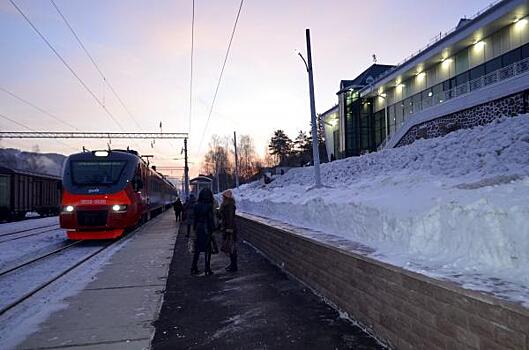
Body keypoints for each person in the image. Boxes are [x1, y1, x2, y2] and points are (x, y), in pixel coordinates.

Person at [191, 189, 215, 276]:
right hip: (206, 228)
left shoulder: (196, 205)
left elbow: (195, 219)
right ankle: (207, 268)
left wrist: (194, 229)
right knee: (208, 249)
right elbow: (210, 219)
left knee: (197, 249)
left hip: (198, 228)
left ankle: (194, 267)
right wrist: (213, 229)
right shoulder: (209, 205)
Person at [220, 189, 237, 272]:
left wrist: (229, 229)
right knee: (230, 247)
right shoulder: (227, 204)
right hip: (227, 228)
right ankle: (232, 264)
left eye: (223, 196)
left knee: (231, 247)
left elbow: (230, 218)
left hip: (230, 229)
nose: (222, 198)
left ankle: (234, 266)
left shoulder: (229, 205)